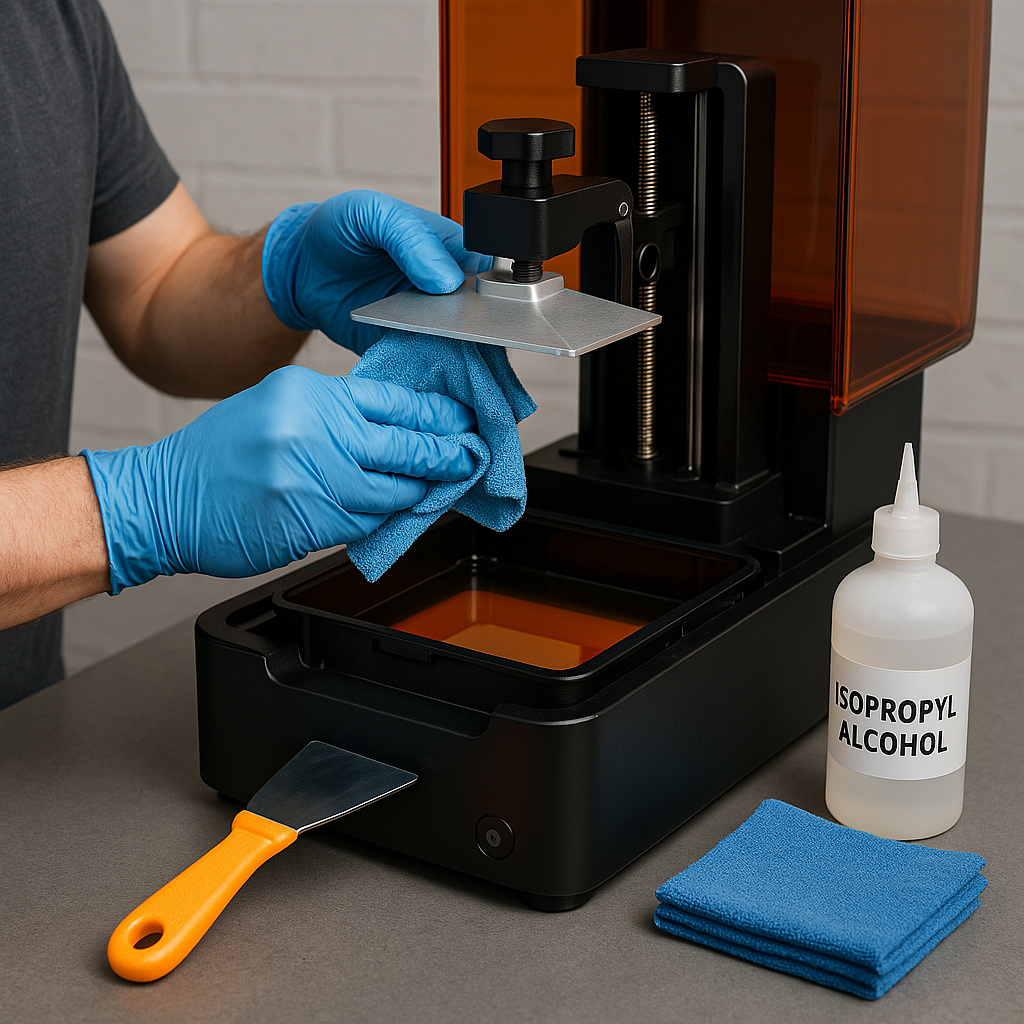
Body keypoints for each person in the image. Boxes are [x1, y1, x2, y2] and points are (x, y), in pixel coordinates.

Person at [0, 0, 486, 707]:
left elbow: (153, 285)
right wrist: (133, 509)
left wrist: (281, 274)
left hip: (25, 737)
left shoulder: (47, 18)